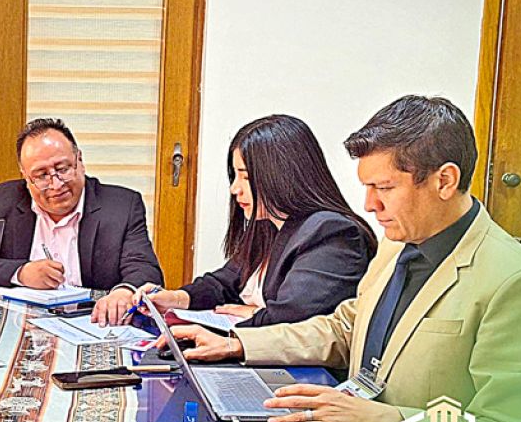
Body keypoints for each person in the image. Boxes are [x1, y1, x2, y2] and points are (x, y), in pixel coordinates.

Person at [167, 96, 521, 422]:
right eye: (367, 188)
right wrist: (237, 345)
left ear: (444, 181)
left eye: (384, 188)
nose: (370, 205)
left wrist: (387, 421)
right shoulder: (396, 244)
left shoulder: (512, 280)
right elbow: (345, 329)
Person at [137, 114, 377, 328]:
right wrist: (175, 298)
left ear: (283, 175)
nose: (234, 189)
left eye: (246, 177)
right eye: (235, 176)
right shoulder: (269, 224)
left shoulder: (331, 232)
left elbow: (293, 319)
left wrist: (254, 315)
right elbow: (223, 283)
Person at [0, 117, 164, 325]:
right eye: (41, 176)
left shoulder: (122, 206)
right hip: (20, 323)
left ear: (79, 161)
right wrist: (20, 273)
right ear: (26, 177)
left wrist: (124, 291)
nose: (56, 185)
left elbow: (145, 270)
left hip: (94, 323)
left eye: (63, 169)